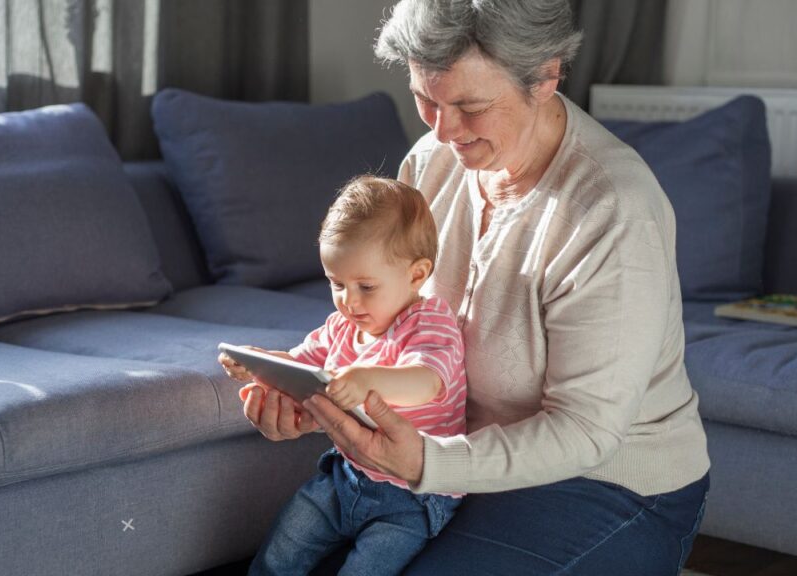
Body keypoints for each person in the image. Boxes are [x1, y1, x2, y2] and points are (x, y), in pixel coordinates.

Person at [238, 0, 711, 573]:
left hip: (606, 481)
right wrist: (320, 400)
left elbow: (587, 431)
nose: (442, 129)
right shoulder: (432, 161)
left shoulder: (611, 207)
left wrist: (429, 463)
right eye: (425, 99)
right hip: (453, 470)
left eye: (469, 105)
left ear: (546, 76)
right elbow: (392, 329)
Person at [220, 176, 467, 576]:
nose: (349, 301)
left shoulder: (429, 321)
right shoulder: (341, 326)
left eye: (366, 286)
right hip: (345, 475)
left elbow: (427, 381)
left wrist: (366, 379)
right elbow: (301, 365)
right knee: (280, 552)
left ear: (417, 275)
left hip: (414, 497)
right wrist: (260, 363)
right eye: (337, 284)